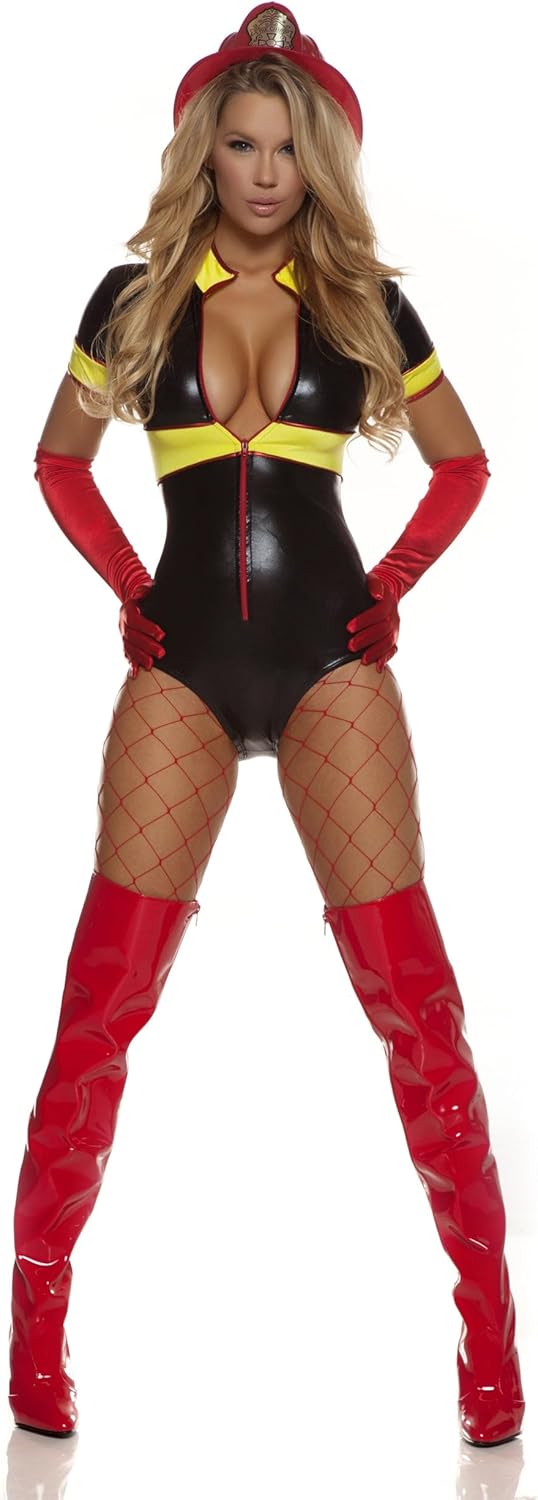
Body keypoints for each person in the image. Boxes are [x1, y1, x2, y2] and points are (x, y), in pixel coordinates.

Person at [8, 1, 525, 1449]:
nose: (261, 172)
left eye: (286, 149)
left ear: (320, 161)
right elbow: (57, 464)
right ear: (205, 151)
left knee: (415, 1005)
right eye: (239, 145)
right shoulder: (133, 300)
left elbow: (465, 466)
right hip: (180, 667)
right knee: (99, 1006)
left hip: (325, 663)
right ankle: (34, 1327)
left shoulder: (366, 307)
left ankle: (490, 1343)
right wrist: (128, 590)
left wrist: (393, 588)